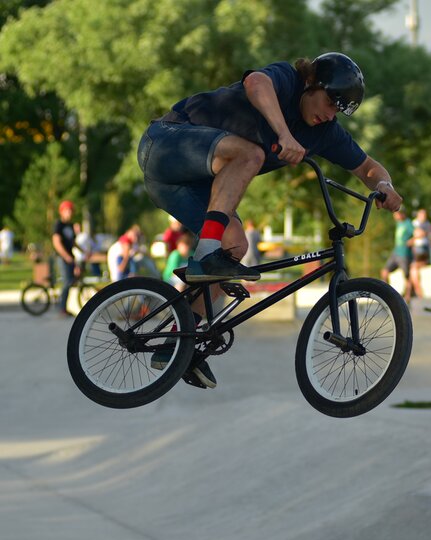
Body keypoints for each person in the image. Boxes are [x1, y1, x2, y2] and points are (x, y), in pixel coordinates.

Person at [137, 52, 402, 389]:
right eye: (329, 101)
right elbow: (255, 83)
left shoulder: (325, 133)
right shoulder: (287, 80)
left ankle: (176, 341)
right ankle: (205, 254)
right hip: (165, 142)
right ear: (312, 83)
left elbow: (367, 167)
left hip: (180, 187)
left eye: (339, 109)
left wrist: (385, 185)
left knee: (234, 245)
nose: (330, 113)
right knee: (251, 153)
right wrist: (284, 133)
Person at [52, 200, 79, 317]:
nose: (69, 213)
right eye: (67, 210)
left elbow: (73, 242)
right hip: (63, 257)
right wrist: (66, 256)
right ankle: (61, 308)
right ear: (61, 212)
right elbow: (56, 242)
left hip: (70, 257)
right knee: (67, 282)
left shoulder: (71, 225)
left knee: (71, 281)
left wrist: (84, 251)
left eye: (71, 210)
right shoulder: (59, 225)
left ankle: (64, 306)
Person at [381, 210, 414, 303]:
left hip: (404, 253)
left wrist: (411, 240)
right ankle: (387, 294)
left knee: (406, 275)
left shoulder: (408, 223)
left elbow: (418, 233)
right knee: (385, 272)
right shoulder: (399, 223)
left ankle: (408, 296)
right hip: (395, 252)